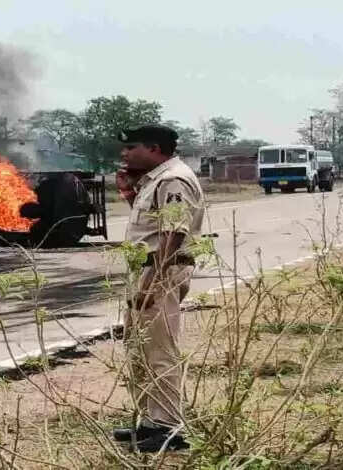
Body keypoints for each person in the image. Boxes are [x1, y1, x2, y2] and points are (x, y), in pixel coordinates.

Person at [112, 125, 204, 452]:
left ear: (153, 148)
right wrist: (129, 194)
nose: (124, 153)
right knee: (139, 348)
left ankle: (168, 429)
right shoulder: (155, 180)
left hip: (159, 272)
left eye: (131, 147)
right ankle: (150, 422)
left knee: (159, 351)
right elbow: (153, 226)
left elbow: (173, 234)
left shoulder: (172, 180)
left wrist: (151, 284)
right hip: (146, 270)